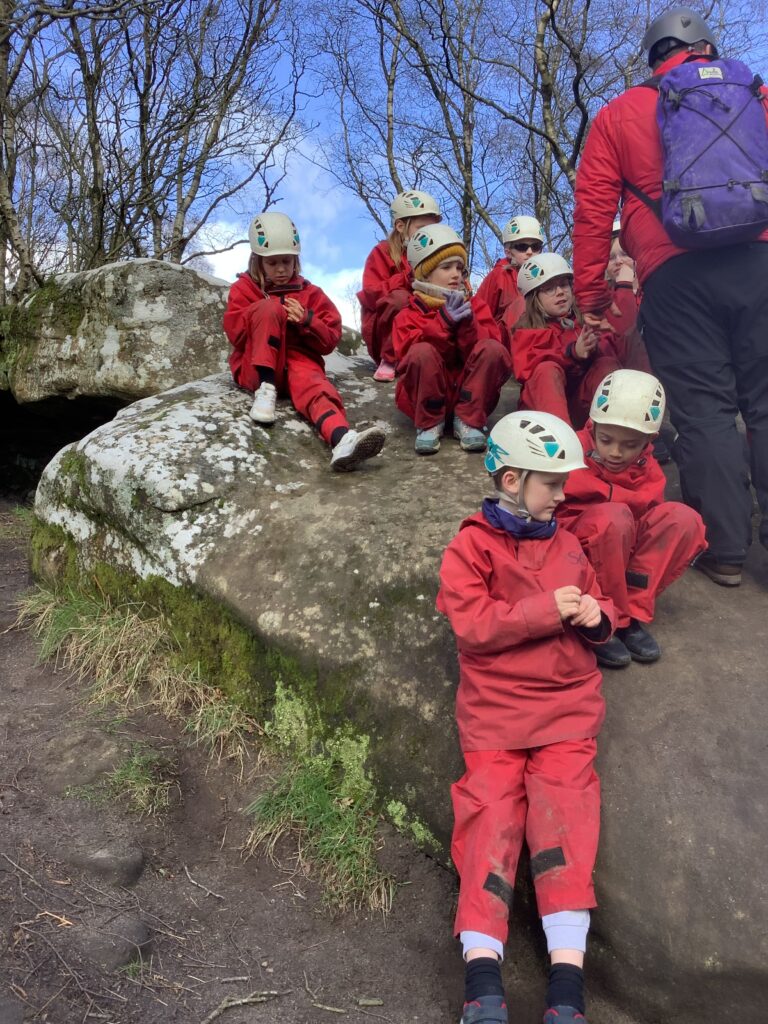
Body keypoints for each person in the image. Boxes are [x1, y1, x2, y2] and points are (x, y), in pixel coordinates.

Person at [572, 5, 768, 587]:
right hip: (759, 260)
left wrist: (592, 295)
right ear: (707, 48)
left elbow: (593, 210)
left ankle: (726, 551)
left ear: (652, 57)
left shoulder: (619, 113)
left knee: (705, 411)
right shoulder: (755, 95)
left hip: (674, 274)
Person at [437, 410, 617, 1024]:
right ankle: (482, 980)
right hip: (495, 715)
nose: (563, 495)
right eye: (553, 483)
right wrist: (544, 610)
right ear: (512, 480)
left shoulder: (567, 543)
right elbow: (472, 626)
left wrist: (596, 615)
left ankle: (567, 989)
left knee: (565, 816)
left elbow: (600, 602)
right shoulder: (470, 546)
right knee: (490, 816)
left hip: (566, 710)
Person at [558, 370, 707, 668]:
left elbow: (650, 524)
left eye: (630, 445)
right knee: (612, 517)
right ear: (593, 425)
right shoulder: (568, 449)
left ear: (649, 441)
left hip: (618, 548)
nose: (615, 452)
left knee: (684, 519)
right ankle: (603, 618)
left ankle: (630, 614)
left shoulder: (647, 467)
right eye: (606, 439)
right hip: (576, 553)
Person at [223, 211, 385, 472]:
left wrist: (308, 320)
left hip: (298, 364)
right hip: (256, 368)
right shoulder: (243, 290)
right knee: (269, 308)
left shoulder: (311, 293)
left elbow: (330, 340)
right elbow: (236, 336)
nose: (281, 269)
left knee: (316, 387)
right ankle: (266, 389)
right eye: (272, 263)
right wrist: (270, 311)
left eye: (286, 261)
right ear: (257, 261)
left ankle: (341, 439)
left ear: (296, 260)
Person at [392, 223, 512, 455]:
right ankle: (429, 422)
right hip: (427, 400)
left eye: (459, 267)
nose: (456, 274)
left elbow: (491, 354)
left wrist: (468, 324)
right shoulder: (409, 314)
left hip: (469, 399)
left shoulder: (477, 306)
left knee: (492, 348)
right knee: (421, 351)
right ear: (425, 273)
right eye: (446, 267)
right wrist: (443, 323)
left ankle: (468, 420)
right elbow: (409, 359)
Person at [511, 253, 621, 429]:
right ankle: (561, 438)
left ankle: (614, 433)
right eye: (549, 288)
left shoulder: (585, 321)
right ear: (534, 298)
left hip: (579, 408)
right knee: (546, 369)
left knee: (606, 364)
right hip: (543, 412)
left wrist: (594, 347)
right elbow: (530, 368)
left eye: (563, 284)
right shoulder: (527, 330)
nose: (560, 292)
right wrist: (572, 353)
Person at [357, 189, 442, 383]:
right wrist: (405, 279)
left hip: (422, 336)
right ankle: (389, 359)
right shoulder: (382, 252)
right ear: (401, 226)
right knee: (401, 299)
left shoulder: (438, 254)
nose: (428, 235)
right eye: (421, 228)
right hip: (385, 336)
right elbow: (370, 295)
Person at [475, 215, 544, 349]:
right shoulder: (498, 276)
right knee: (523, 303)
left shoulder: (547, 278)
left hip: (540, 342)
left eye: (535, 247)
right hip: (503, 345)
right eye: (522, 247)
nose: (530, 252)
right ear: (508, 252)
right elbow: (478, 317)